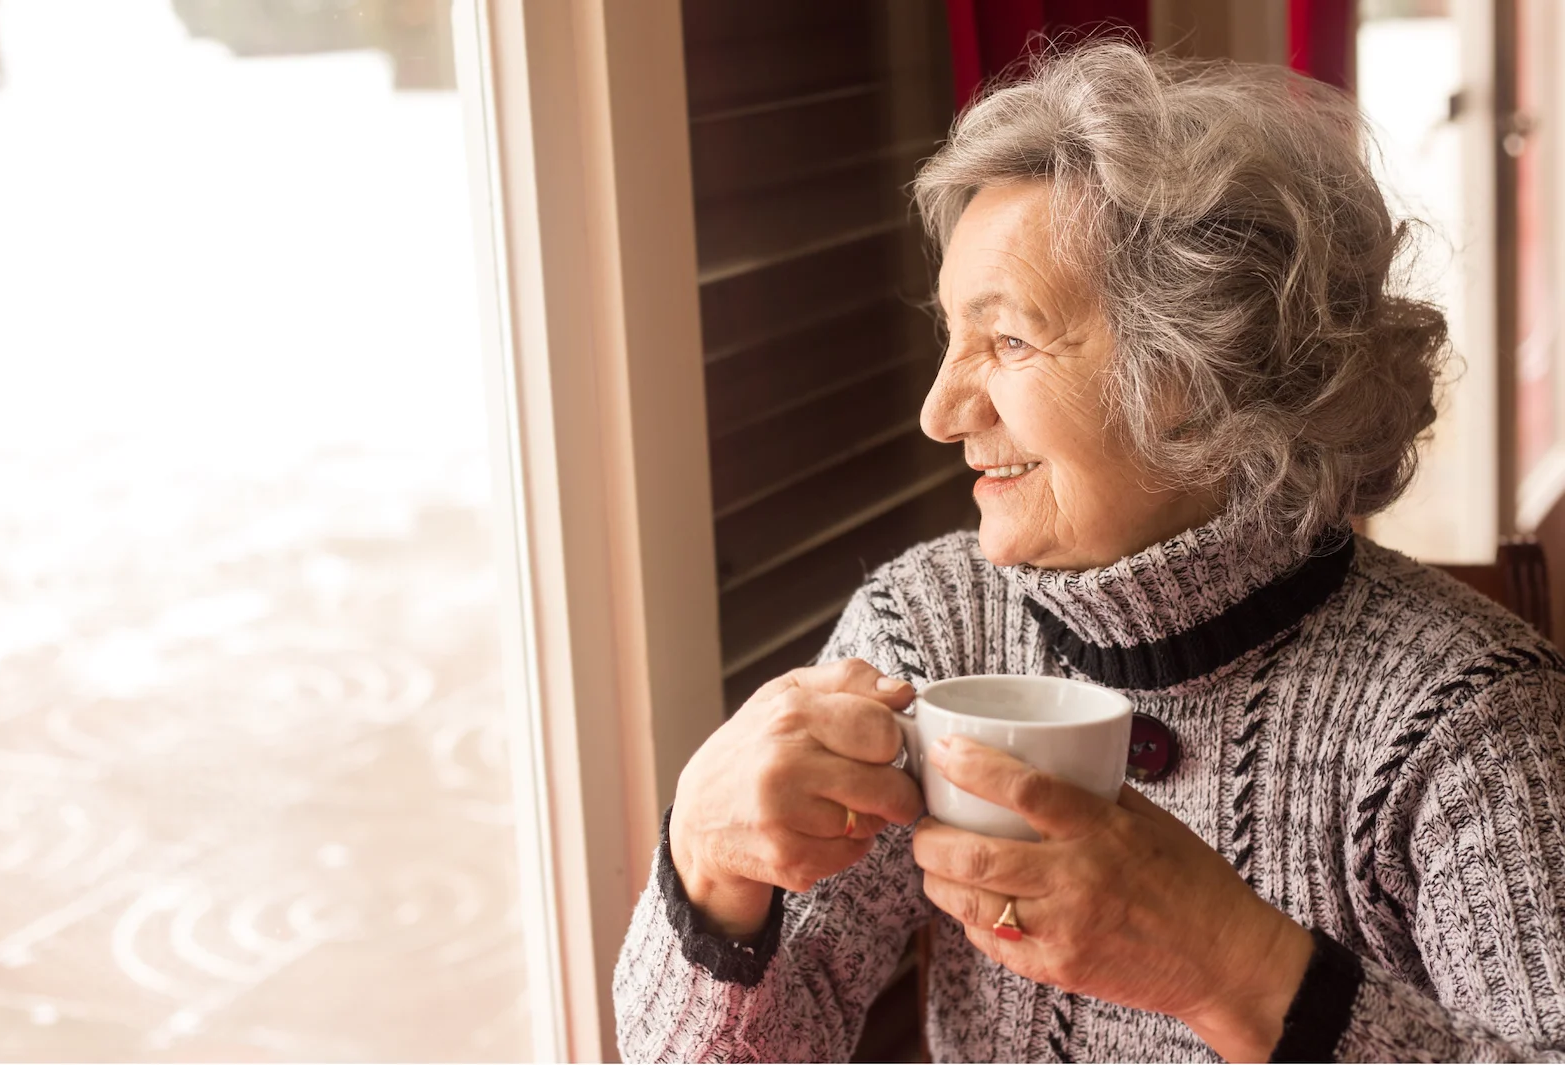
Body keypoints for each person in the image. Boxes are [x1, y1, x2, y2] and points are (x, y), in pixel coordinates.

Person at [614, 42, 1565, 1062]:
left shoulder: (1460, 717)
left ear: (1203, 368)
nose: (939, 412)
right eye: (951, 338)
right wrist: (709, 869)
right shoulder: (930, 628)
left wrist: (1237, 965)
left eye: (1009, 341)